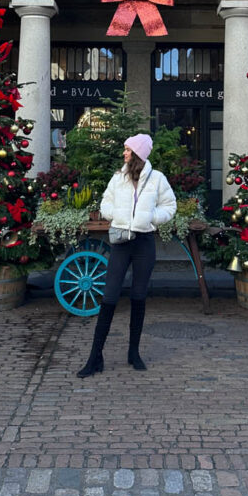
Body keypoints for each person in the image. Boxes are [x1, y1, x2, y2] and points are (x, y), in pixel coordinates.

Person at [77, 133, 176, 377]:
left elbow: (170, 206)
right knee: (109, 297)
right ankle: (95, 357)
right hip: (121, 241)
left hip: (144, 243)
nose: (124, 153)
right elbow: (105, 204)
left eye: (128, 150)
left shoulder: (157, 179)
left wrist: (151, 218)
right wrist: (118, 217)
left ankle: (134, 352)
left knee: (139, 296)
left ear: (138, 154)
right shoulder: (118, 179)